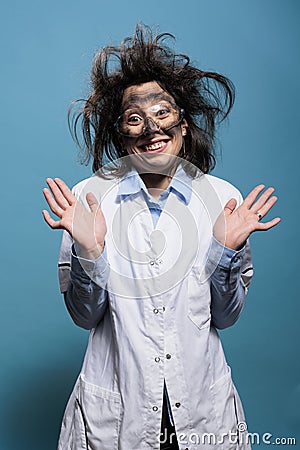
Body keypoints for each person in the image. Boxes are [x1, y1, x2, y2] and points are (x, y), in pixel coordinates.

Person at [42, 24, 280, 450]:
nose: (151, 127)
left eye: (163, 113)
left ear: (184, 125)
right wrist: (89, 251)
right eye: (134, 118)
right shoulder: (89, 199)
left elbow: (224, 318)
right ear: (121, 134)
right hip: (117, 418)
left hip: (203, 411)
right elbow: (84, 316)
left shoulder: (223, 198)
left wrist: (225, 251)